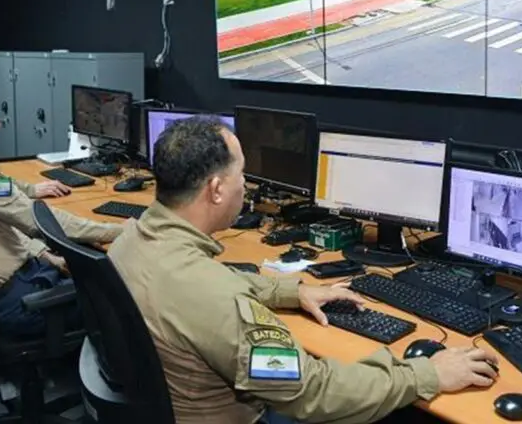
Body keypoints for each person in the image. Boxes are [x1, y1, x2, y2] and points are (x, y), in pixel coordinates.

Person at [108, 117, 499, 423]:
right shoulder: (218, 301)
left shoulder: (131, 240)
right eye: (241, 175)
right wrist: (425, 375)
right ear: (215, 190)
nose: (246, 185)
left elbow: (205, 290)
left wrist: (290, 292)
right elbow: (313, 391)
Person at [0, 77, 124, 336]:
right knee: (124, 298)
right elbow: (41, 221)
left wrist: (44, 252)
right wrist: (119, 229)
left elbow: (1, 199)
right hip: (16, 301)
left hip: (11, 285)